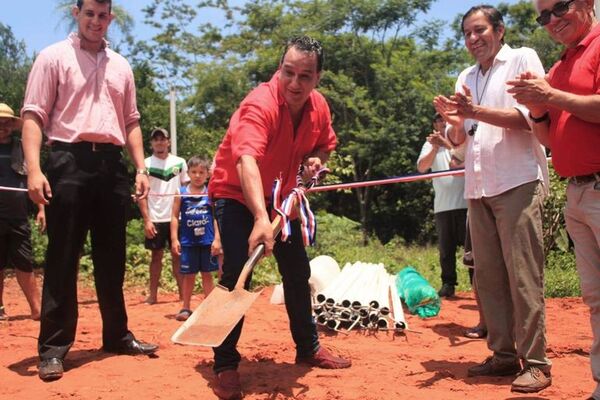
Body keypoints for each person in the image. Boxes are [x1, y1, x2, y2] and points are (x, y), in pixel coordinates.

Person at [21, 0, 158, 382]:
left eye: (102, 15)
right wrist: (34, 169)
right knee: (63, 256)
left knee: (112, 256)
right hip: (68, 161)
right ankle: (52, 349)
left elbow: (131, 121)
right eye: (89, 14)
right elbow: (33, 114)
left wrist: (141, 167)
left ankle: (116, 335)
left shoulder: (122, 66)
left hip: (112, 165)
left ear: (110, 18)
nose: (96, 22)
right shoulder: (52, 58)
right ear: (76, 14)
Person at [208, 36, 351, 400]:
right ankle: (224, 363)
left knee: (298, 271)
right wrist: (259, 216)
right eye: (288, 72)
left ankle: (308, 348)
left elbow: (323, 146)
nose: (294, 84)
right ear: (279, 69)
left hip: (282, 200)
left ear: (318, 77)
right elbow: (247, 162)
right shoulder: (259, 105)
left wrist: (316, 160)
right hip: (237, 194)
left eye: (305, 76)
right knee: (237, 270)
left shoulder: (319, 107)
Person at [433, 5, 551, 393]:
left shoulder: (522, 58)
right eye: (466, 33)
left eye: (479, 30)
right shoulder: (465, 75)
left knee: (523, 276)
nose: (472, 39)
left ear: (499, 30)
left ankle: (536, 362)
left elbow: (531, 118)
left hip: (516, 181)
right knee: (488, 278)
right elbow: (463, 139)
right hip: (478, 186)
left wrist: (475, 111)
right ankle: (502, 355)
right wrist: (454, 124)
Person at [507, 0, 600, 398]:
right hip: (578, 192)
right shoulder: (561, 66)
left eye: (558, 7)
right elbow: (547, 139)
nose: (551, 20)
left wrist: (552, 95)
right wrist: (538, 109)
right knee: (595, 296)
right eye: (542, 15)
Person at [416, 113, 468, 298]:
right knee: (446, 250)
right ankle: (448, 284)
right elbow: (422, 167)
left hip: (466, 203)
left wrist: (446, 144)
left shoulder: (463, 138)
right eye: (438, 119)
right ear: (434, 124)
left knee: (471, 249)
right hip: (443, 205)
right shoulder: (429, 144)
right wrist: (435, 147)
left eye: (445, 119)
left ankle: (477, 283)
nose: (442, 122)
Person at [0, 103, 43, 321]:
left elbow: (34, 179)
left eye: (6, 122)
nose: (2, 126)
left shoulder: (21, 148)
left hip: (18, 215)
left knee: (24, 261)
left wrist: (41, 209)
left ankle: (37, 310)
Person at [138, 127, 187, 305]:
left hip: (177, 218)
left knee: (178, 255)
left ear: (168, 141)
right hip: (155, 218)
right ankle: (153, 296)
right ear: (151, 143)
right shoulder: (145, 164)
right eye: (155, 139)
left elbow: (186, 190)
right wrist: (147, 220)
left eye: (162, 138)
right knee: (156, 256)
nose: (159, 142)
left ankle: (183, 295)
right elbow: (140, 194)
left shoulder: (180, 162)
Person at [170, 156, 221, 321]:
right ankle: (185, 307)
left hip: (207, 241)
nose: (197, 175)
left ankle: (211, 307)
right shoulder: (181, 192)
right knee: (189, 275)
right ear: (188, 173)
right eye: (194, 172)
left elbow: (216, 217)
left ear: (207, 174)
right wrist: (174, 239)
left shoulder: (211, 193)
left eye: (201, 172)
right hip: (188, 242)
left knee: (207, 274)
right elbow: (174, 216)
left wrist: (217, 240)